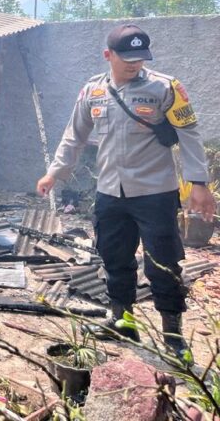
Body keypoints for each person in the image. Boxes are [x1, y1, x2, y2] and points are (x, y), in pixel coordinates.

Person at [36, 24, 216, 358]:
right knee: (114, 259)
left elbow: (189, 133)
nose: (134, 64)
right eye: (126, 58)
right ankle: (123, 322)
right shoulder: (93, 91)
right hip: (109, 192)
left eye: (140, 58)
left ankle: (173, 337)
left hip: (155, 193)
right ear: (109, 55)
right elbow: (73, 135)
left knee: (163, 264)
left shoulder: (166, 87)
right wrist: (55, 172)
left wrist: (199, 184)